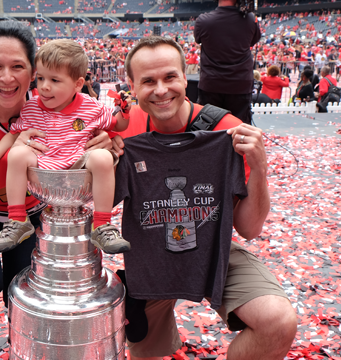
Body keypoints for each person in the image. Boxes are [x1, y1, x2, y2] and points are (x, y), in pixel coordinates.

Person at [113, 36, 297, 360]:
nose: (160, 90)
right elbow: (92, 200)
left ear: (186, 77)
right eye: (148, 81)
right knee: (141, 348)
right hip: (150, 256)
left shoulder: (226, 131)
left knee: (277, 321)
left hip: (213, 245)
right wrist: (96, 158)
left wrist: (259, 168)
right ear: (132, 85)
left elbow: (249, 229)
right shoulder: (124, 136)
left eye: (170, 77)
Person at [0, 22, 113, 360]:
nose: (7, 78)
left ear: (32, 72)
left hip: (29, 211)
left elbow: (98, 127)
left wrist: (107, 142)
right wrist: (10, 157)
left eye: (17, 66)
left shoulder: (53, 103)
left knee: (20, 286)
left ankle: (21, 344)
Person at [0, 39, 131, 255]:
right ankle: (17, 219)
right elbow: (12, 134)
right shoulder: (32, 106)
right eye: (40, 78)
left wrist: (125, 110)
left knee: (103, 157)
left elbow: (118, 124)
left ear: (78, 84)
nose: (44, 86)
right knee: (17, 152)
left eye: (54, 80)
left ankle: (101, 225)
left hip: (80, 163)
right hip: (44, 163)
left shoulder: (91, 106)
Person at [194, 0, 261, 124]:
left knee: (208, 130)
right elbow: (252, 41)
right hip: (240, 84)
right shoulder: (250, 19)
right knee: (240, 131)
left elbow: (198, 40)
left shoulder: (204, 20)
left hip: (211, 83)